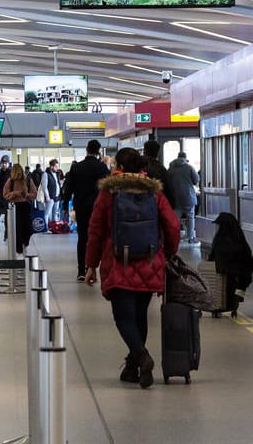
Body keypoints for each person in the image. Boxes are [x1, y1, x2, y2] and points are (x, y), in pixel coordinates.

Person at [84, 148, 180, 388]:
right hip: (149, 261)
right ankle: (132, 367)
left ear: (119, 167)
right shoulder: (154, 192)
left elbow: (95, 230)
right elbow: (173, 226)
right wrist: (167, 253)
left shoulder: (109, 192)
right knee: (139, 316)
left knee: (123, 317)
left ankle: (142, 358)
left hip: (119, 262)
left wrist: (90, 265)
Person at [63, 140, 111, 280]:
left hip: (82, 207)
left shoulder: (77, 167)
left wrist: (65, 205)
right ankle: (94, 268)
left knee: (82, 238)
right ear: (98, 151)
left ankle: (81, 271)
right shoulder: (102, 168)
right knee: (98, 237)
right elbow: (109, 188)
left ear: (86, 149)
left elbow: (68, 188)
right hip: (99, 208)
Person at [205, 211, 253, 318]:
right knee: (241, 284)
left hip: (224, 274)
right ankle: (238, 298)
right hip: (241, 276)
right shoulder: (239, 239)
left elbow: (212, 258)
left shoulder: (220, 240)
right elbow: (249, 260)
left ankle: (224, 304)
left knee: (224, 285)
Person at [3, 162, 38, 255]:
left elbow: (34, 194)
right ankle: (19, 250)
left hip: (24, 206)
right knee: (18, 229)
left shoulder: (27, 180)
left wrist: (26, 195)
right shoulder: (10, 181)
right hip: (15, 208)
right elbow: (5, 195)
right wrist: (15, 193)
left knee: (26, 229)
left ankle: (23, 246)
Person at [164, 152, 199, 243]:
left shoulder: (171, 169)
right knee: (190, 217)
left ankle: (173, 237)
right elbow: (196, 180)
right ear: (185, 157)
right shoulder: (189, 167)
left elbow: (166, 182)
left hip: (175, 197)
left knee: (175, 218)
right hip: (189, 197)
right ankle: (190, 237)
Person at [44, 159, 65, 225]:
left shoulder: (56, 174)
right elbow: (44, 187)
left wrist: (61, 184)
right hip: (50, 197)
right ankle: (46, 228)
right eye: (56, 166)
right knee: (47, 213)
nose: (57, 168)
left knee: (55, 213)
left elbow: (57, 184)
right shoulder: (46, 174)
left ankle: (54, 227)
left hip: (57, 197)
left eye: (58, 166)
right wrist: (47, 197)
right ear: (51, 166)